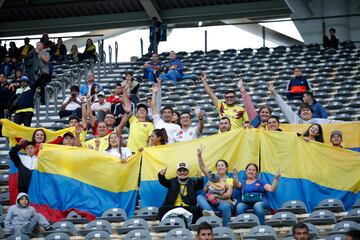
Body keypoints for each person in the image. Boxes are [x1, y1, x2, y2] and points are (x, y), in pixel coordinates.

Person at [196, 145, 233, 226]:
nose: (220, 167)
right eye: (218, 166)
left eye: (222, 165)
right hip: (209, 203)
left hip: (222, 203)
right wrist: (199, 155)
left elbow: (228, 195)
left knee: (227, 206)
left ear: (226, 168)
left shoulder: (229, 180)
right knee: (199, 197)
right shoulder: (212, 177)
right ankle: (211, 213)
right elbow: (203, 167)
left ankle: (226, 228)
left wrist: (216, 196)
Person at [269, 83, 342, 124]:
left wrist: (352, 124)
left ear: (312, 113)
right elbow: (284, 108)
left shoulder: (319, 122)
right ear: (300, 114)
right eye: (303, 110)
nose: (305, 111)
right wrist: (275, 94)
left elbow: (333, 122)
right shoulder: (296, 121)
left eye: (307, 110)